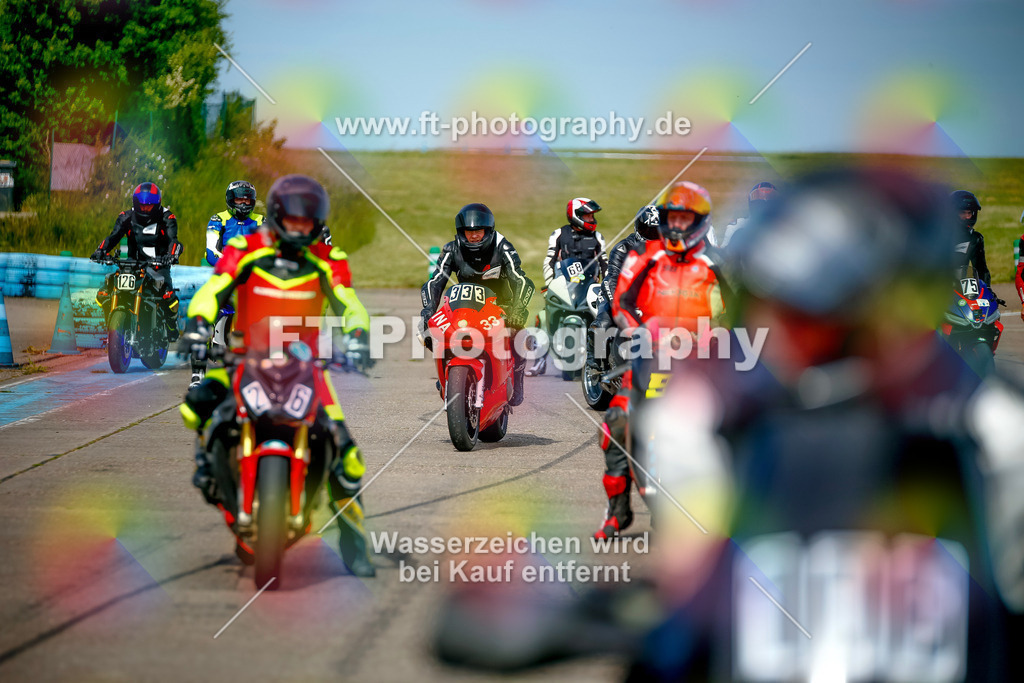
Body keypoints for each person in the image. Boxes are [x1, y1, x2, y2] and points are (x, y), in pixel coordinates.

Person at [179, 174, 376, 576]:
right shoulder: (245, 248)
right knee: (195, 408)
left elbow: (349, 302)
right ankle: (212, 471)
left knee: (348, 458)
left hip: (307, 368)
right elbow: (213, 289)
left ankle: (354, 546)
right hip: (245, 360)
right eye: (293, 220)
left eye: (308, 222)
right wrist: (198, 325)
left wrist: (359, 336)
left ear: (318, 222)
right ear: (276, 215)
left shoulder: (329, 258)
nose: (300, 229)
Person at [595, 181, 728, 540]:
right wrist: (639, 332)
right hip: (651, 353)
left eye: (685, 219)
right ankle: (617, 511)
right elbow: (621, 301)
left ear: (699, 221)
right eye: (672, 218)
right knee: (616, 421)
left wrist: (719, 337)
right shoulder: (645, 255)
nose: (677, 226)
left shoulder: (717, 262)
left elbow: (744, 310)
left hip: (702, 361)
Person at [420, 203, 535, 405]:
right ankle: (446, 372)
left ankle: (516, 379)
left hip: (500, 306)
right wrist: (428, 310)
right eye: (469, 231)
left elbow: (522, 281)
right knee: (427, 330)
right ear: (461, 232)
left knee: (519, 335)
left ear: (488, 231)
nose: (474, 236)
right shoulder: (451, 249)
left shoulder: (503, 247)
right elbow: (435, 281)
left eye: (479, 231)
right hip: (464, 306)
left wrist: (518, 310)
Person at [191, 180, 265, 388]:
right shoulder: (218, 219)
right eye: (239, 199)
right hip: (224, 274)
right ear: (231, 200)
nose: (243, 203)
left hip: (251, 278)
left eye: (247, 200)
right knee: (202, 319)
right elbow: (211, 250)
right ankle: (197, 375)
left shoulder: (261, 221)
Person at [91, 182, 182, 340]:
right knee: (103, 293)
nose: (145, 209)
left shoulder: (167, 217)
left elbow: (173, 240)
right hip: (132, 265)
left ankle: (171, 325)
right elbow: (114, 236)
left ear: (157, 204)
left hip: (158, 266)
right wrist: (101, 250)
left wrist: (171, 255)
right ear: (135, 203)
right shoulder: (125, 216)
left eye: (149, 206)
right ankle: (113, 327)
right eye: (142, 205)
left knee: (169, 297)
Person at [543, 197, 607, 285]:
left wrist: (606, 286)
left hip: (589, 285)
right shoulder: (558, 234)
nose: (591, 219)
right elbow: (550, 261)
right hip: (564, 285)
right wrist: (549, 284)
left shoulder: (597, 236)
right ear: (576, 215)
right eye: (588, 216)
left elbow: (604, 264)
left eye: (592, 216)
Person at [719, 180, 779, 248]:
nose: (764, 200)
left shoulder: (738, 225)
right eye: (760, 200)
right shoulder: (737, 225)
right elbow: (725, 250)